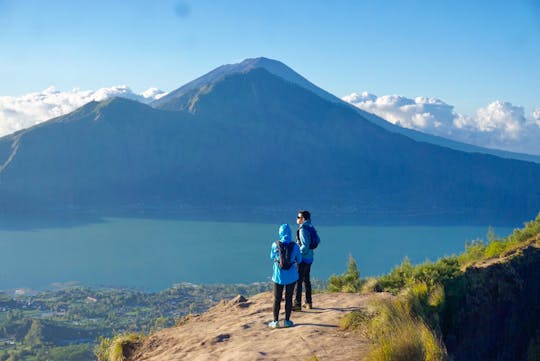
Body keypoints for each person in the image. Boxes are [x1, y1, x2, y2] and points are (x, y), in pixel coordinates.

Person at [269, 223, 302, 328]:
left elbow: (271, 257)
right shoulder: (295, 246)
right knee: (288, 298)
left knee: (277, 299)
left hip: (278, 277)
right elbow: (299, 260)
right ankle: (287, 321)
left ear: (280, 233)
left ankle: (275, 321)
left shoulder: (275, 245)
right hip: (291, 277)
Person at [293, 210, 316, 311]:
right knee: (307, 281)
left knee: (298, 281)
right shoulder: (310, 227)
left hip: (302, 259)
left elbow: (305, 245)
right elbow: (317, 240)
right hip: (310, 258)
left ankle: (297, 305)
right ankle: (308, 302)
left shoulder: (302, 229)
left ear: (303, 219)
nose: (297, 219)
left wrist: (297, 254)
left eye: (298, 217)